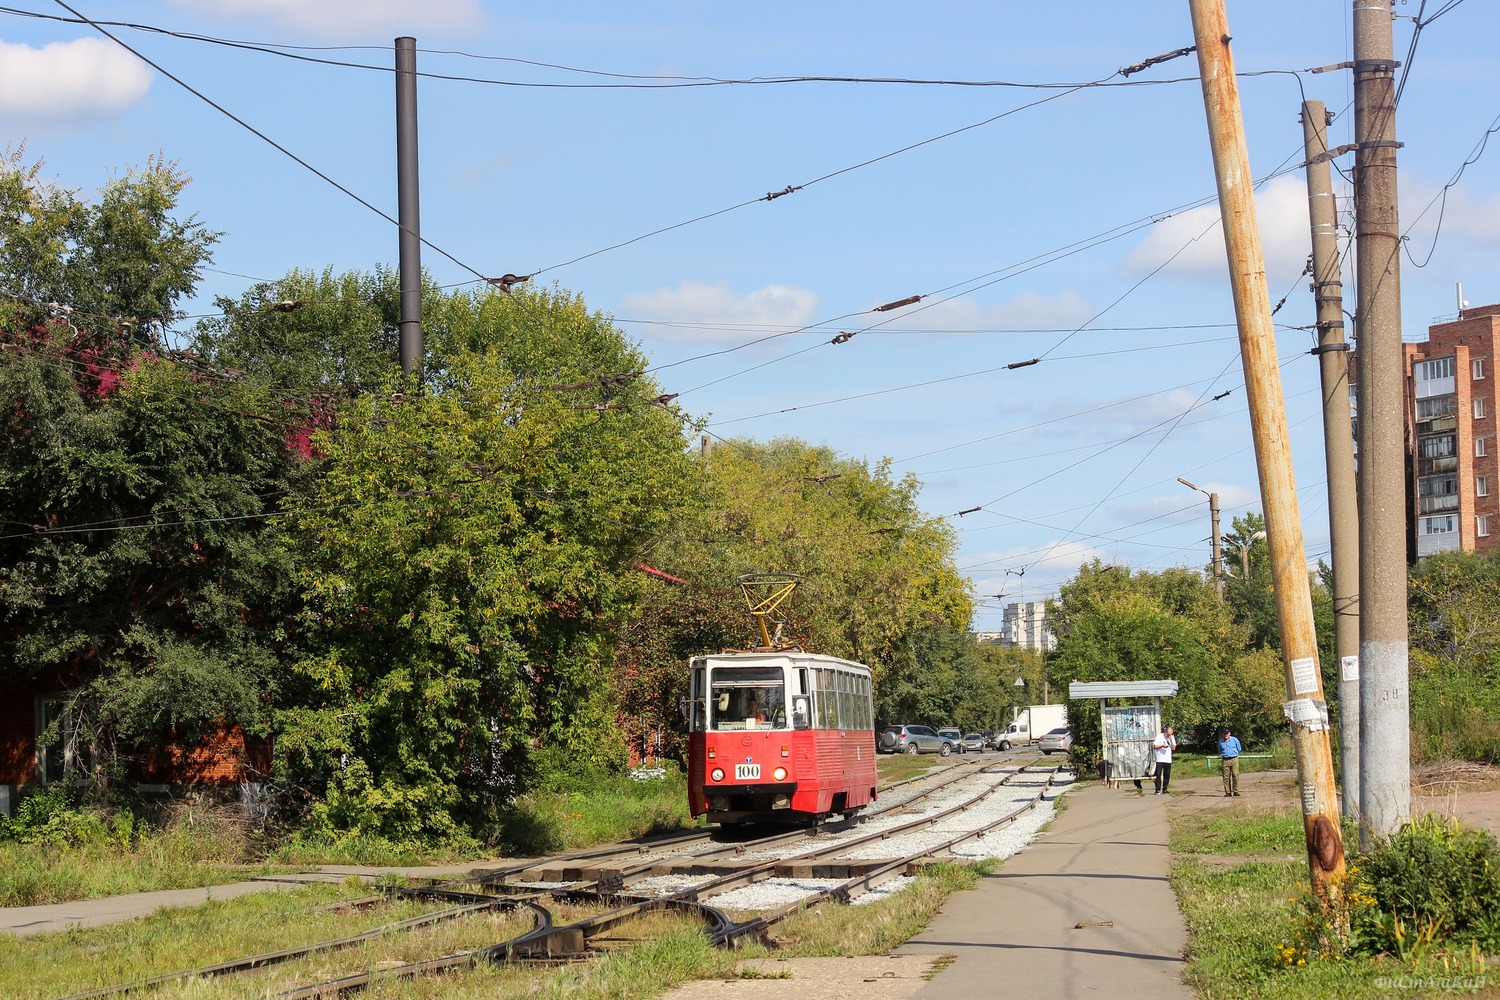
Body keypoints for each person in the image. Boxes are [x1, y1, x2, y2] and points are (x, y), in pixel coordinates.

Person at [1151, 725, 1176, 795]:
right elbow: (1155, 746)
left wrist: (1171, 739)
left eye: (1171, 734)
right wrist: (1162, 746)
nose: (1169, 735)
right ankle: (1157, 789)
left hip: (1168, 759)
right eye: (1168, 734)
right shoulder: (1159, 736)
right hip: (1160, 759)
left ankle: (1165, 789)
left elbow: (1174, 748)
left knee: (1167, 775)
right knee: (1158, 774)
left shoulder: (1171, 737)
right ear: (1165, 732)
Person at [1218, 726, 1242, 796]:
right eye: (1224, 733)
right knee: (1226, 777)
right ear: (1222, 734)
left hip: (1234, 759)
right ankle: (1228, 792)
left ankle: (1236, 791)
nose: (1226, 735)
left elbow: (1239, 749)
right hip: (1225, 760)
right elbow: (1220, 750)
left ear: (1229, 733)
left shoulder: (1235, 740)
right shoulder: (1220, 742)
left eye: (1227, 733)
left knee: (1235, 775)